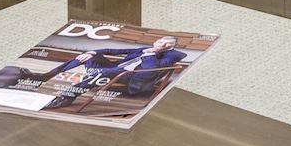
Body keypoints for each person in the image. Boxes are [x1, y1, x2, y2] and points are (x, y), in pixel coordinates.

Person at [42, 36, 186, 108]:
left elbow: (149, 72)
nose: (162, 44)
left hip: (130, 77)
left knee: (104, 73)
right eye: (160, 41)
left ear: (170, 47)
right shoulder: (143, 48)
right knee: (88, 56)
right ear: (156, 41)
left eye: (168, 44)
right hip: (114, 70)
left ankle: (67, 97)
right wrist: (92, 52)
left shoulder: (172, 55)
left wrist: (152, 53)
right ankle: (46, 76)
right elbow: (113, 51)